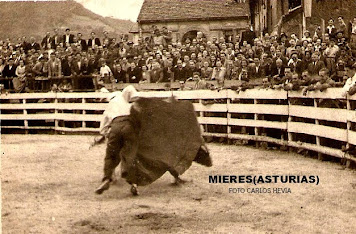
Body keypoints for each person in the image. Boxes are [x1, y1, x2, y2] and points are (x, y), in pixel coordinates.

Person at [95, 85, 140, 195]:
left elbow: (104, 123)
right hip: (128, 126)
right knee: (131, 154)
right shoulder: (129, 101)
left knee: (110, 155)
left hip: (115, 126)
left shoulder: (111, 103)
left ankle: (107, 178)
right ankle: (133, 183)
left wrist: (104, 134)